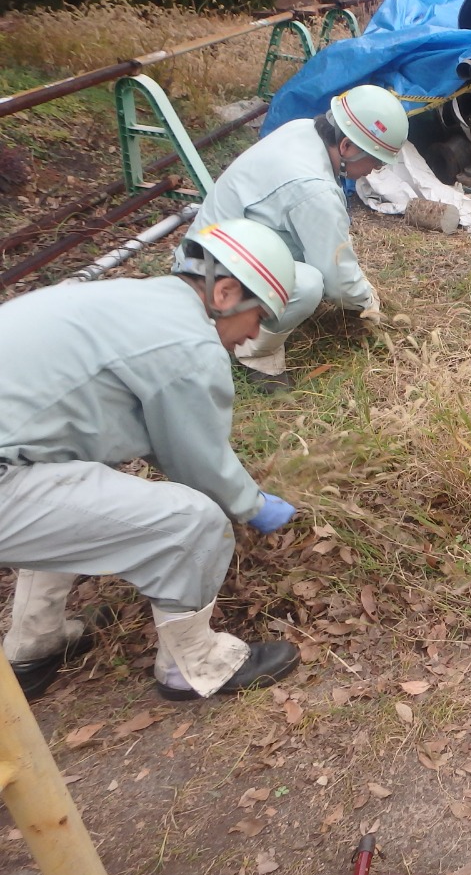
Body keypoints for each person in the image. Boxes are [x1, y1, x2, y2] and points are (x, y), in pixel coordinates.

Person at [0, 219, 305, 701]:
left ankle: (35, 645)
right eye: (259, 316)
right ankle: (194, 665)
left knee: (70, 478)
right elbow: (197, 463)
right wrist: (252, 504)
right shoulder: (188, 342)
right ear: (225, 292)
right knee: (195, 521)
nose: (253, 336)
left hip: (15, 464)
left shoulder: (133, 301)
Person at [182, 84, 409, 392]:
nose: (375, 170)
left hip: (208, 251)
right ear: (346, 146)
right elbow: (339, 285)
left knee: (312, 261)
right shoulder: (313, 188)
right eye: (376, 161)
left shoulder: (303, 130)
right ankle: (253, 352)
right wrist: (369, 303)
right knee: (309, 284)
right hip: (210, 281)